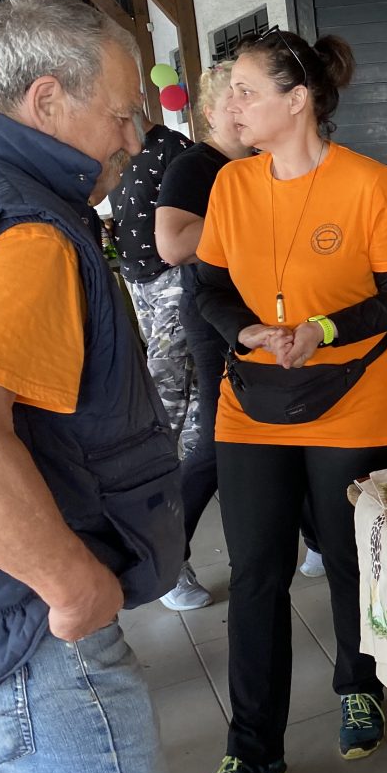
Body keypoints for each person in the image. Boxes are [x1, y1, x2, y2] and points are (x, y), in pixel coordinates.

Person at [0, 0, 184, 773]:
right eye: (122, 114)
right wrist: (73, 587)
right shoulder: (20, 228)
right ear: (46, 100)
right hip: (18, 636)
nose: (133, 140)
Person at [191, 28, 387, 773]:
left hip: (355, 397)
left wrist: (321, 329)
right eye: (231, 92)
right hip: (254, 401)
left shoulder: (367, 183)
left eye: (246, 91)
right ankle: (251, 744)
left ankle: (360, 686)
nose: (231, 105)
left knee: (349, 551)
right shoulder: (232, 186)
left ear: (297, 101)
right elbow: (208, 287)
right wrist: (246, 331)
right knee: (256, 570)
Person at [153, 62, 251, 610]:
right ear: (209, 112)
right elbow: (172, 244)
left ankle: (314, 537)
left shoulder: (259, 161)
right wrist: (247, 209)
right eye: (232, 100)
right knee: (217, 438)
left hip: (261, 309)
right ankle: (166, 559)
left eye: (249, 97)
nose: (242, 110)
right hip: (213, 313)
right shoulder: (195, 165)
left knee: (285, 422)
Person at [109, 113, 196, 452]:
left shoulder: (173, 146)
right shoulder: (116, 148)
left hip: (172, 273)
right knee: (185, 373)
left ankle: (153, 457)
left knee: (164, 370)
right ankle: (195, 458)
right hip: (136, 275)